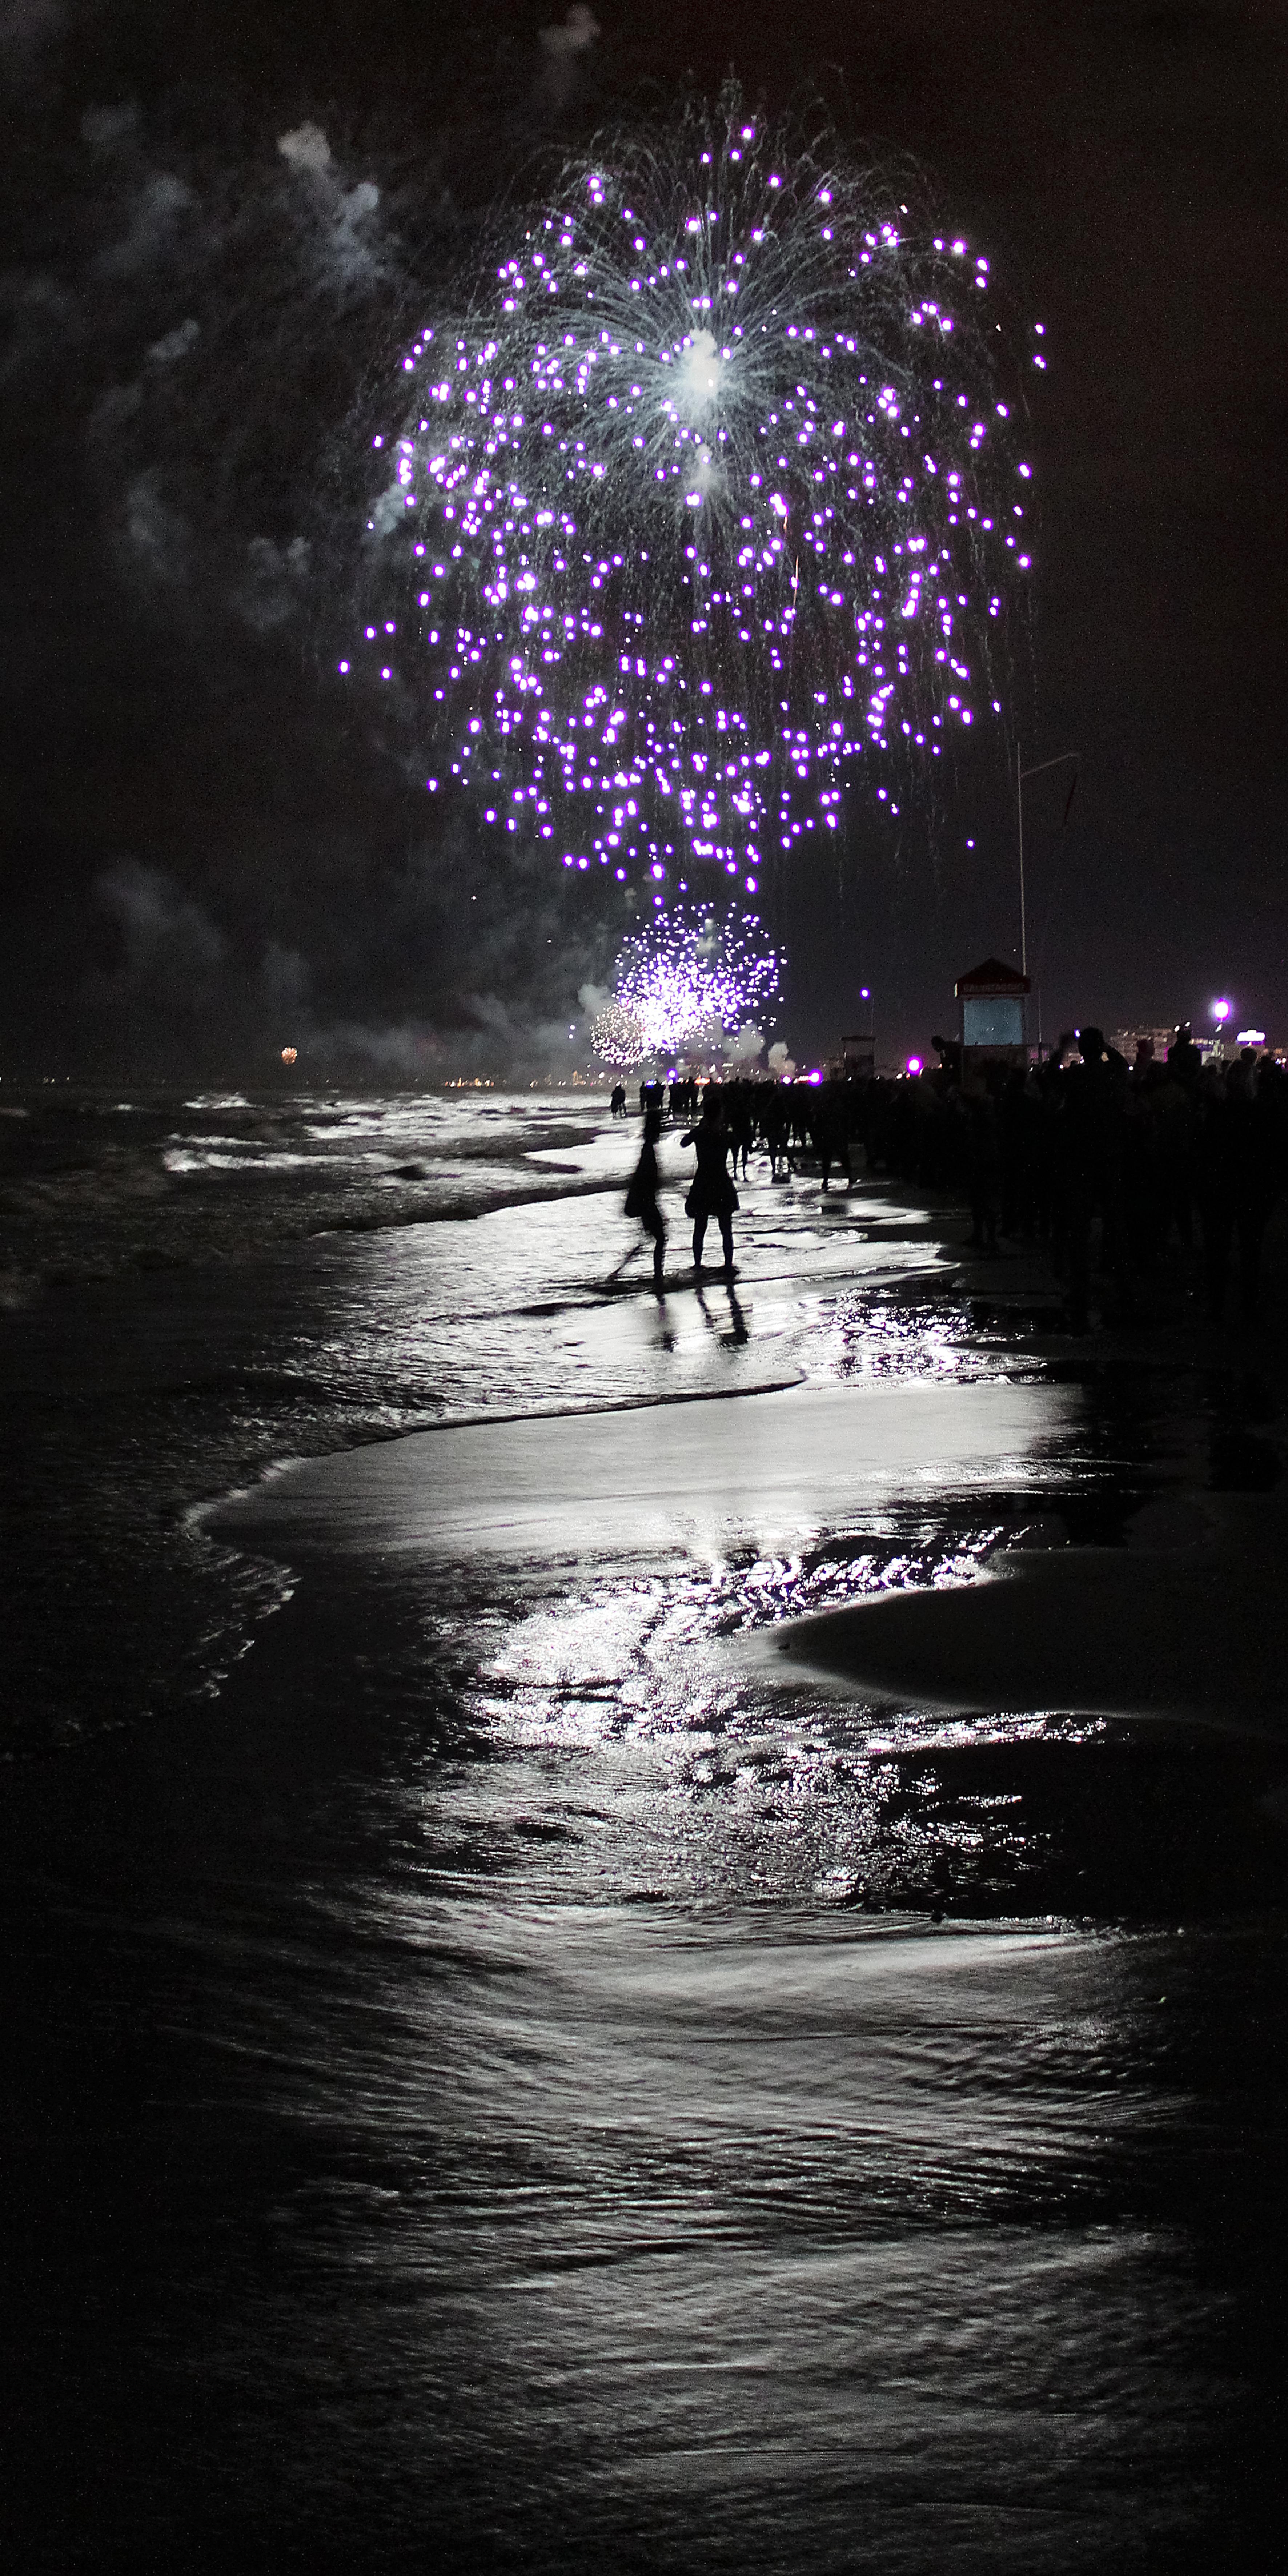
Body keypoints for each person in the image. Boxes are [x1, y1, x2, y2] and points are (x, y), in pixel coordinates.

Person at [681, 1091, 739, 1271]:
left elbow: (684, 1143)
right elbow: (736, 1142)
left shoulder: (701, 1133)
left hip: (704, 1181)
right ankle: (728, 1264)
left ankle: (698, 1264)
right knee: (726, 1227)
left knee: (700, 1226)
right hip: (721, 1180)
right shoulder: (723, 1134)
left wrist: (699, 1128)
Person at [624, 1107, 666, 1288]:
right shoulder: (649, 1150)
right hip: (647, 1202)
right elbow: (646, 1180)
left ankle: (657, 1275)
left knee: (655, 1238)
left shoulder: (647, 1148)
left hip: (647, 1202)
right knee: (660, 1238)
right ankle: (658, 1277)